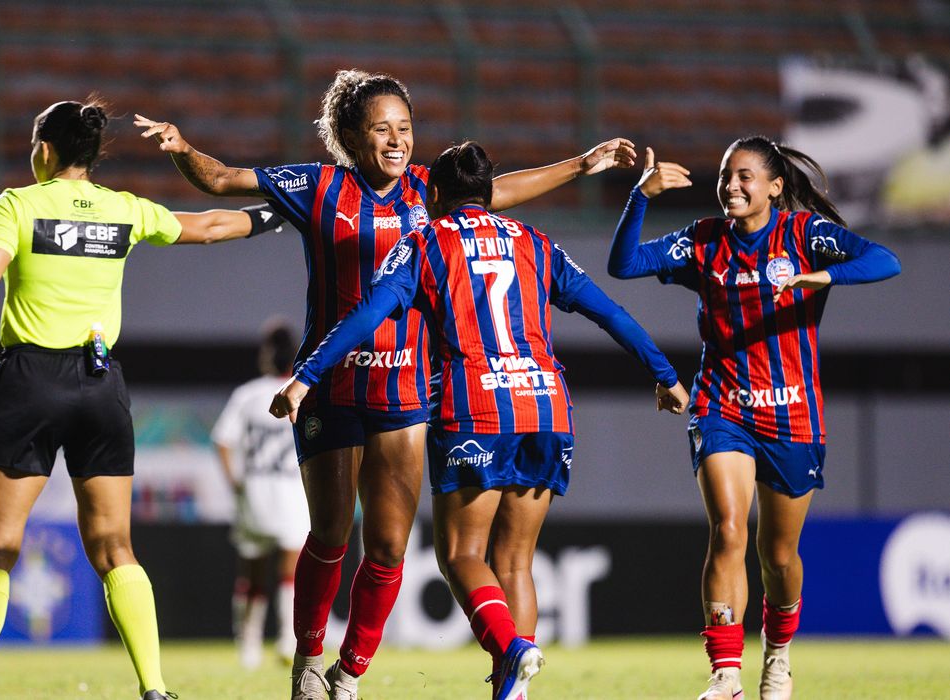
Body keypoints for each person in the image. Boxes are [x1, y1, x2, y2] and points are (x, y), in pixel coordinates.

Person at [136, 69, 639, 700]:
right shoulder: (317, 186)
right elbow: (222, 180)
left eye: (405, 128)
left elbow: (502, 190)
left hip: (404, 394)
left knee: (389, 548)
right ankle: (308, 664)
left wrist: (582, 165)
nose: (397, 141)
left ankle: (350, 674)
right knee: (327, 536)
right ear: (349, 135)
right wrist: (184, 150)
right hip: (332, 388)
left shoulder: (433, 189)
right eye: (382, 129)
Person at [270, 141, 690, 700]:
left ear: (434, 194)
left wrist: (308, 376)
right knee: (515, 559)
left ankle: (513, 650)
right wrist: (664, 374)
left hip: (477, 406)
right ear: (491, 194)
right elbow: (607, 310)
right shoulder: (536, 243)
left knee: (461, 554)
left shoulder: (423, 241)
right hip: (546, 405)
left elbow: (368, 313)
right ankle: (511, 690)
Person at [0, 97, 284, 700]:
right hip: (100, 386)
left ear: (45, 149)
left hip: (30, 381)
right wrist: (282, 212)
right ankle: (154, 688)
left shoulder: (18, 203)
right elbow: (207, 227)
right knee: (115, 546)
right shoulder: (122, 210)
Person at [606, 137, 901, 700]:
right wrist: (640, 197)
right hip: (723, 409)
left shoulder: (803, 235)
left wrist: (826, 277)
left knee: (779, 555)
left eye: (745, 176)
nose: (731, 186)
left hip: (793, 416)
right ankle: (725, 675)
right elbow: (623, 264)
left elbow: (886, 260)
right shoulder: (703, 242)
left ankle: (779, 654)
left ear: (774, 187)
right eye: (724, 175)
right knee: (729, 530)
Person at [212, 319, 309, 669]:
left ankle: (248, 646)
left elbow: (222, 440)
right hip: (293, 491)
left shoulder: (248, 394)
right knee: (290, 572)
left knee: (252, 574)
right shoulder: (303, 391)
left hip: (254, 491)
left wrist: (235, 481)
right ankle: (287, 639)